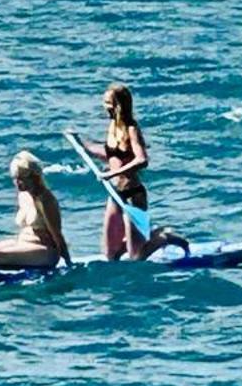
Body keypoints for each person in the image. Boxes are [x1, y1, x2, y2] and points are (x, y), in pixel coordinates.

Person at [81, 82, 190, 261]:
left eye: (108, 103)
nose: (105, 107)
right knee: (110, 253)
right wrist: (84, 145)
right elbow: (112, 155)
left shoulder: (131, 129)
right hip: (115, 194)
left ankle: (165, 237)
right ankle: (148, 237)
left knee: (135, 256)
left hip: (133, 194)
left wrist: (111, 174)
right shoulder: (112, 127)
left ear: (119, 105)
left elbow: (141, 160)